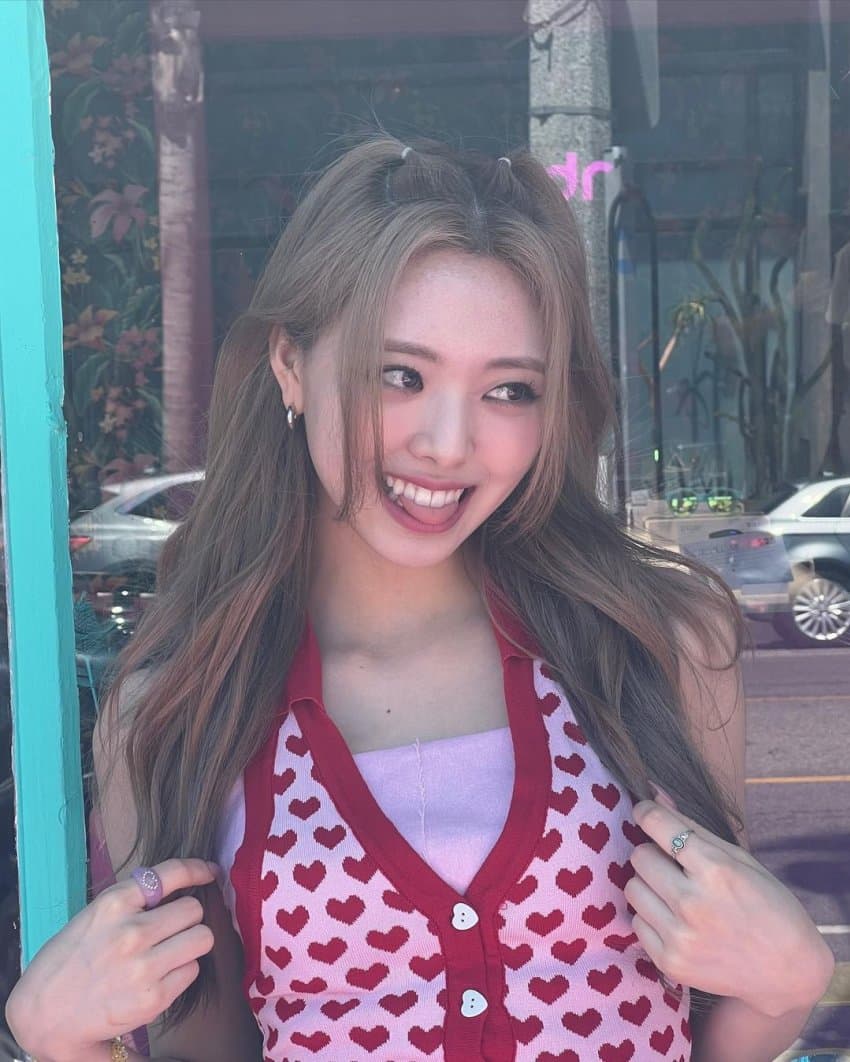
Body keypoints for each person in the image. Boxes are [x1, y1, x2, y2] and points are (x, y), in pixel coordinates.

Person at [6, 136, 834, 1062]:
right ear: (290, 365)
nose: (448, 444)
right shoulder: (179, 709)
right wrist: (62, 1046)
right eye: (399, 375)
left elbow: (712, 1018)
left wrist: (787, 986)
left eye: (509, 390)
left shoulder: (658, 645)